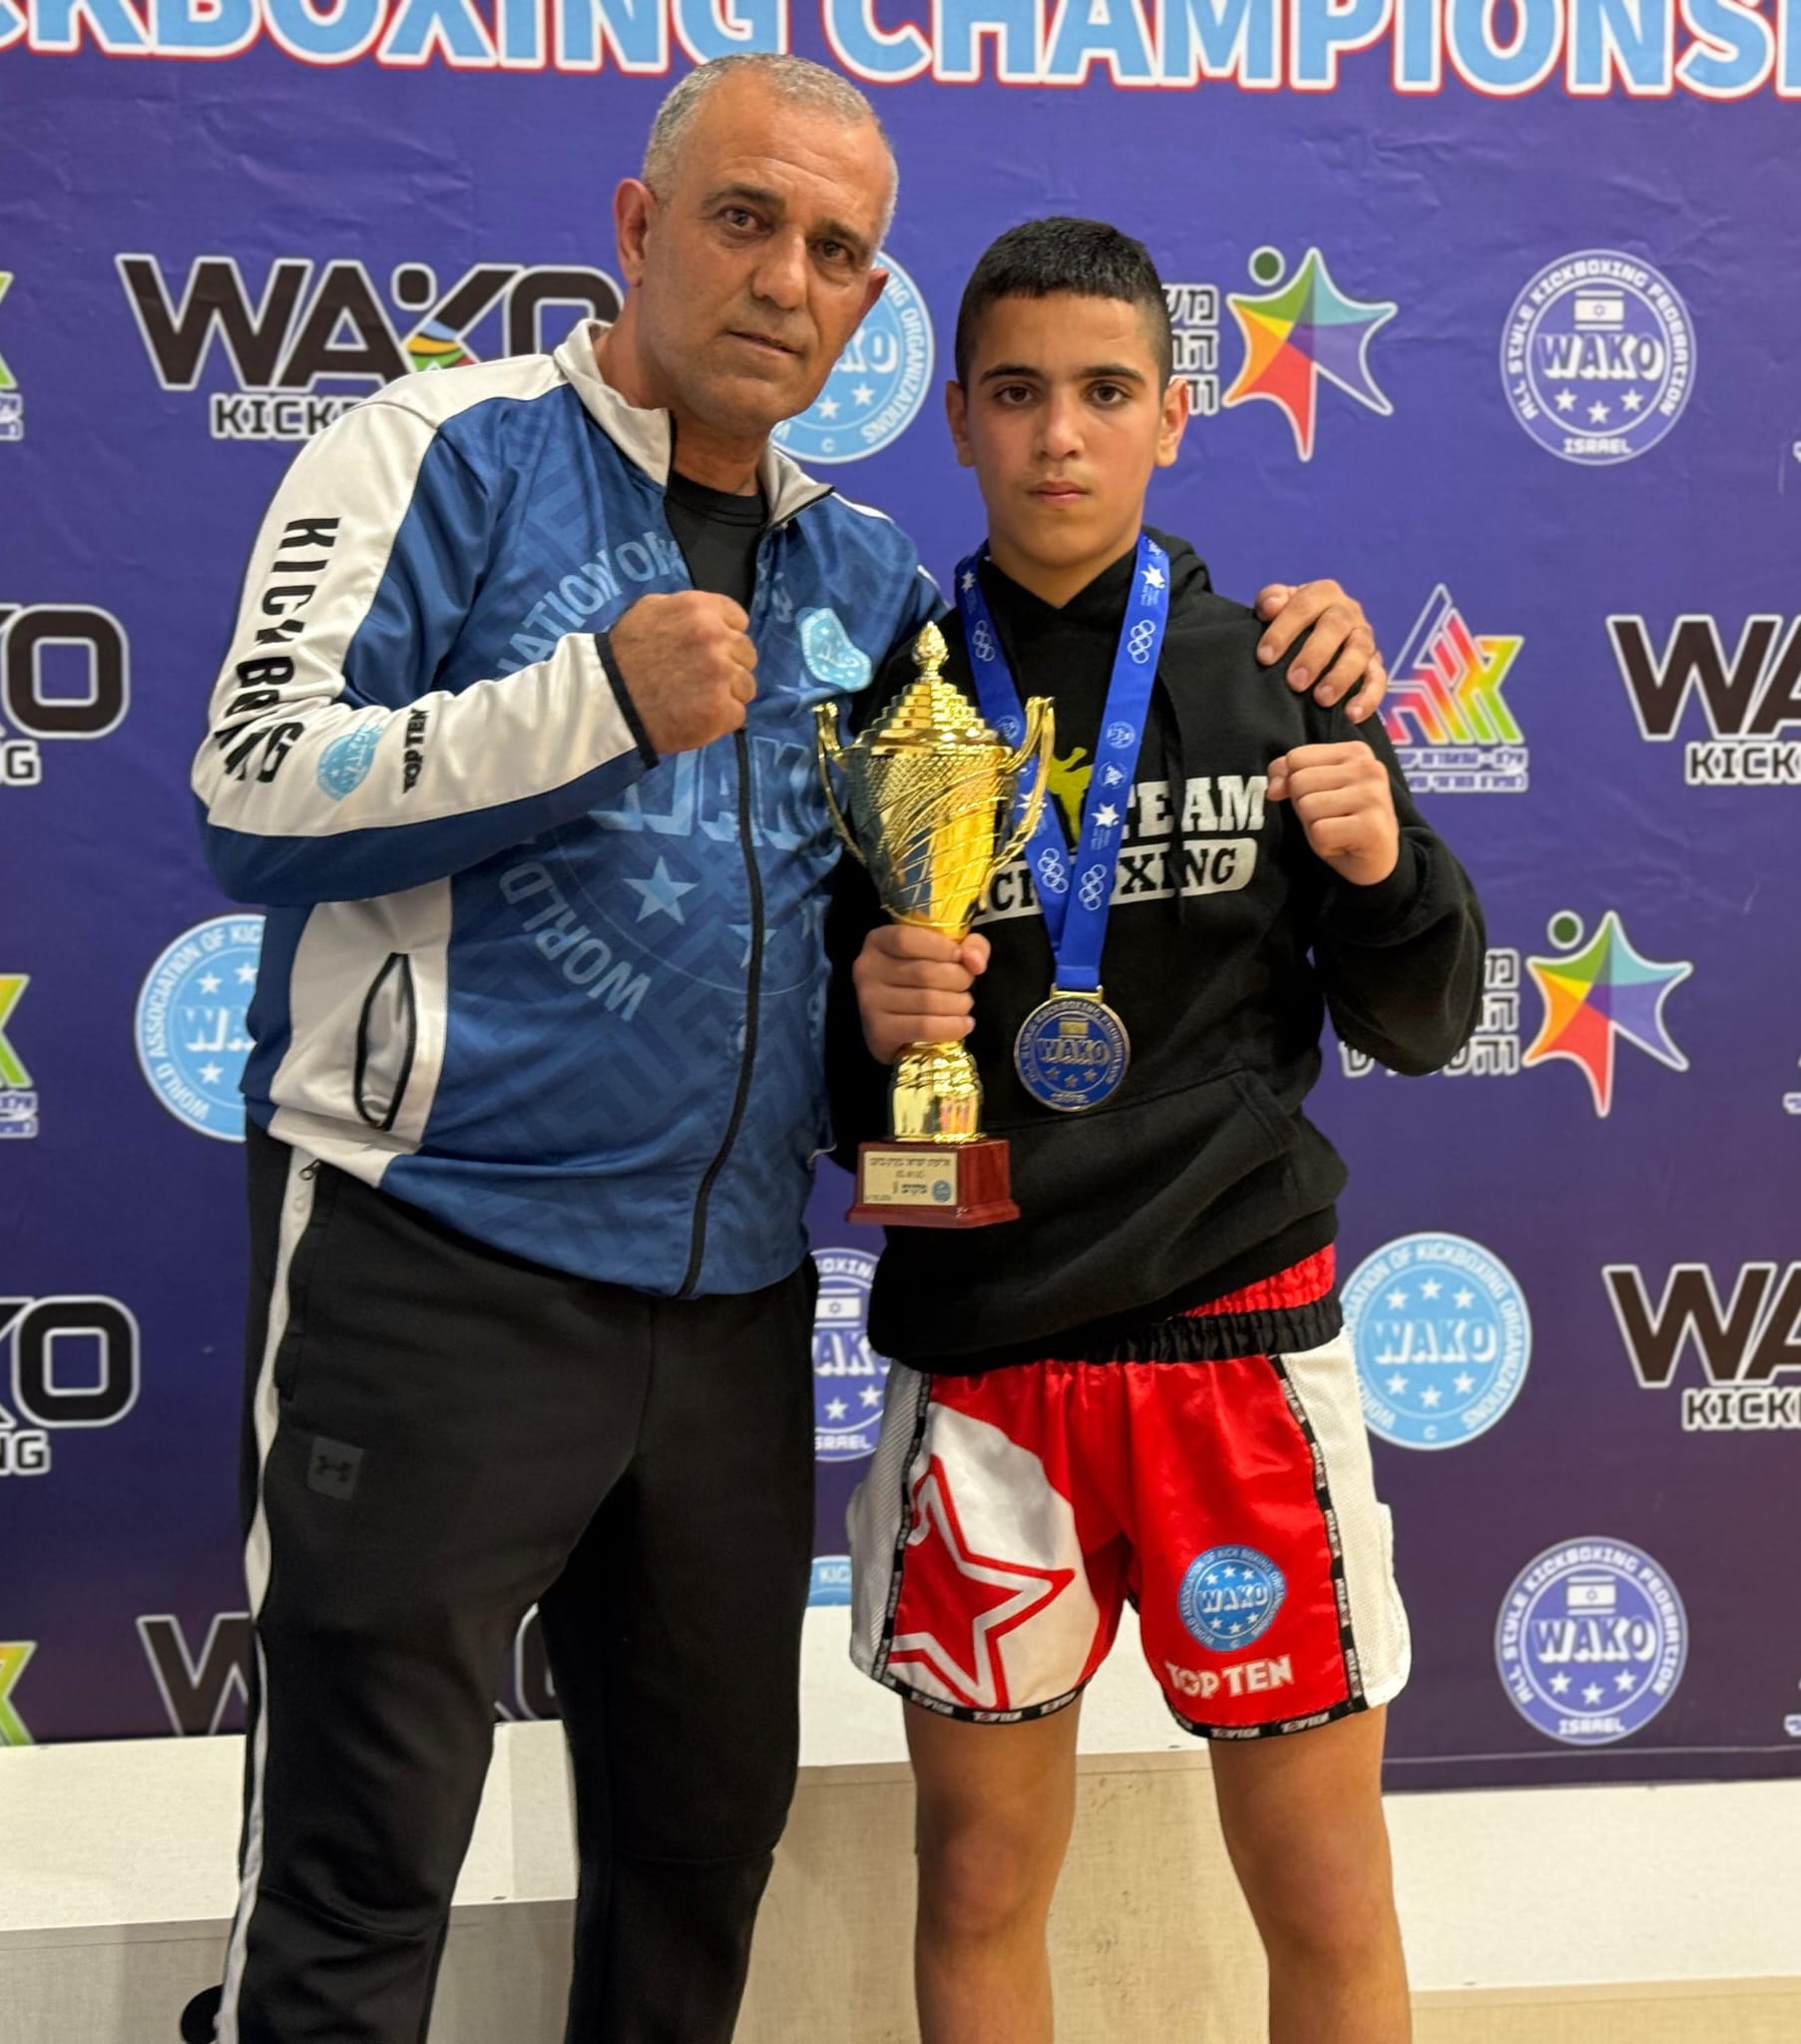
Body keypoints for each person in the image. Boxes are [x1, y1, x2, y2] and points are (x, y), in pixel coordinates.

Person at [180, 56, 1392, 2044]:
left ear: (866, 305)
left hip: (733, 1301)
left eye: (836, 251)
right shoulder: (434, 450)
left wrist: (1289, 644)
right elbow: (248, 786)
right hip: (437, 1255)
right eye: (745, 220)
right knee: (355, 1875)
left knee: (695, 1865)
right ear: (640, 226)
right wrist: (587, 700)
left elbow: (934, 897)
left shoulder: (869, 585)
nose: (785, 279)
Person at [830, 217, 1486, 2044]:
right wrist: (862, 1026)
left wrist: (1383, 864)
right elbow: (827, 1093)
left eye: (1105, 392)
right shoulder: (887, 697)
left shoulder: (1283, 668)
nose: (1060, 435)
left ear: (1173, 415)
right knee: (974, 1880)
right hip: (987, 1352)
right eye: (1017, 393)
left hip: (1234, 1340)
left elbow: (1423, 1021)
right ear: (955, 415)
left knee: (1324, 1884)